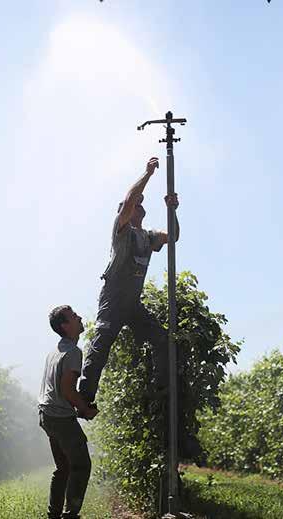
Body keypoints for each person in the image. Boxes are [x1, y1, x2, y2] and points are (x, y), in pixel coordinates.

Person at [78, 157, 179, 404]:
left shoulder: (148, 236)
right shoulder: (121, 231)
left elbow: (173, 236)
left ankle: (163, 387)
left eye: (140, 204)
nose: (139, 205)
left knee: (162, 340)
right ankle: (86, 395)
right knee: (102, 345)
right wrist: (147, 175)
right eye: (135, 204)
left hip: (133, 304)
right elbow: (131, 199)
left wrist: (172, 210)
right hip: (113, 300)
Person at [38, 305, 99, 519]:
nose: (80, 317)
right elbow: (67, 390)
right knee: (81, 465)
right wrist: (85, 409)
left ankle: (53, 515)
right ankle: (70, 515)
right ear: (65, 325)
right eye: (74, 316)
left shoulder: (55, 351)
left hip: (46, 415)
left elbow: (59, 389)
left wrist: (79, 405)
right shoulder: (73, 352)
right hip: (60, 418)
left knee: (63, 468)